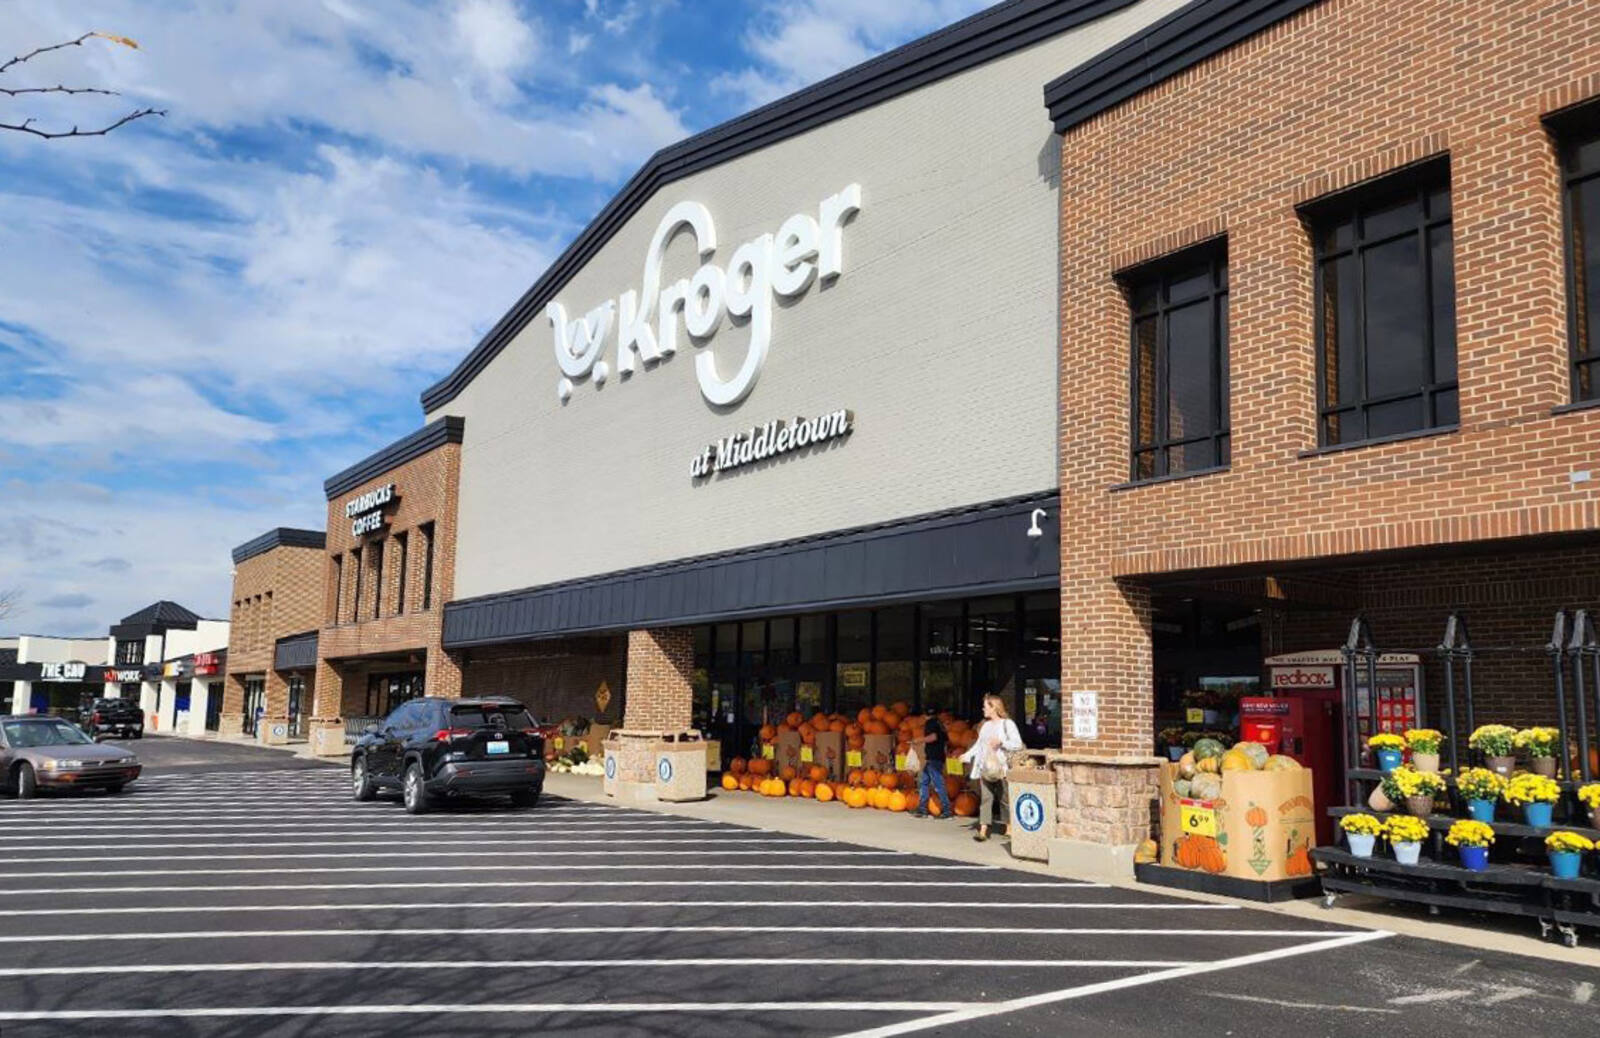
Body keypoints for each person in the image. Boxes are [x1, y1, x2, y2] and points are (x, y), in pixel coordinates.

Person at [959, 693, 1024, 842]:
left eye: (985, 706)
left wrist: (1001, 742)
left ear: (994, 707)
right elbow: (979, 745)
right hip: (986, 767)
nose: (983, 709)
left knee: (1004, 798)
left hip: (1001, 767)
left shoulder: (1007, 724)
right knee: (986, 798)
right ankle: (983, 830)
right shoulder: (985, 726)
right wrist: (967, 755)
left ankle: (1009, 826)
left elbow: (1017, 744)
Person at [910, 713, 952, 819]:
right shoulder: (940, 724)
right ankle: (922, 808)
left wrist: (918, 740)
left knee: (938, 784)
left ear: (925, 715)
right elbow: (946, 740)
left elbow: (933, 737)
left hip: (934, 757)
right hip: (937, 757)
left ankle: (947, 810)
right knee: (924, 781)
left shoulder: (930, 723)